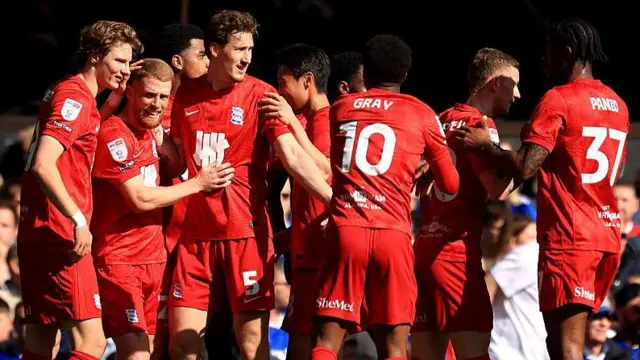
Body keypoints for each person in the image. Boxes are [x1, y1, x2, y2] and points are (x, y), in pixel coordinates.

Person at [451, 19, 630, 360]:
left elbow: (524, 166)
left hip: (570, 236)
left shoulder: (558, 99)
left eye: (548, 53)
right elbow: (616, 170)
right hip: (605, 237)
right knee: (559, 343)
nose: (544, 62)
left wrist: (483, 147)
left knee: (566, 347)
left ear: (566, 53)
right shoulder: (619, 105)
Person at [168, 10, 332, 360]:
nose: (246, 58)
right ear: (214, 49)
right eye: (239, 48)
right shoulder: (184, 96)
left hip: (245, 234)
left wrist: (334, 199)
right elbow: (178, 158)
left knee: (250, 345)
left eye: (250, 49)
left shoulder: (261, 94)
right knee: (182, 345)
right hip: (195, 236)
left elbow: (291, 156)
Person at [310, 34, 459, 360]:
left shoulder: (341, 109)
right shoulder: (422, 114)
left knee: (325, 342)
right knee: (393, 348)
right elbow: (451, 185)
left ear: (366, 72)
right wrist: (429, 163)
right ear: (405, 74)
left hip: (347, 229)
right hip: (392, 235)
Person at [18, 20, 142, 360]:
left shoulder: (69, 93)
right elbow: (45, 163)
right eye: (118, 61)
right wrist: (77, 219)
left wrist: (116, 95)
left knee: (43, 342)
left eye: (128, 62)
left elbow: (85, 128)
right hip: (61, 234)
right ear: (93, 56)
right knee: (93, 343)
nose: (125, 70)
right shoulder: (74, 98)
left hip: (37, 230)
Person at [91, 58, 230, 360]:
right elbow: (139, 199)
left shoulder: (150, 133)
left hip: (154, 260)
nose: (157, 104)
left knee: (152, 354)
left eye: (163, 97)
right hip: (119, 261)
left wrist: (158, 133)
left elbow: (176, 163)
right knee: (137, 354)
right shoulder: (113, 134)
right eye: (149, 95)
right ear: (130, 91)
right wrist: (198, 183)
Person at [412, 47, 520, 360]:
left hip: (425, 251)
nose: (518, 94)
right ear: (495, 83)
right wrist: (527, 166)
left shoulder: (441, 118)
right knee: (474, 354)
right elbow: (498, 188)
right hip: (457, 254)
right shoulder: (481, 127)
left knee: (423, 354)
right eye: (514, 84)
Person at [258, 43, 332, 360]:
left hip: (325, 255)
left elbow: (323, 168)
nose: (279, 90)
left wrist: (289, 120)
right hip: (303, 254)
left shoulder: (331, 121)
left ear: (307, 80)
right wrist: (282, 236)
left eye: (283, 81)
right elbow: (272, 184)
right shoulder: (300, 122)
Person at [485, 215, 550, 360]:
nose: (535, 241)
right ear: (513, 241)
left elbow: (483, 296)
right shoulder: (536, 254)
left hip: (513, 352)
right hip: (527, 351)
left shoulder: (529, 253)